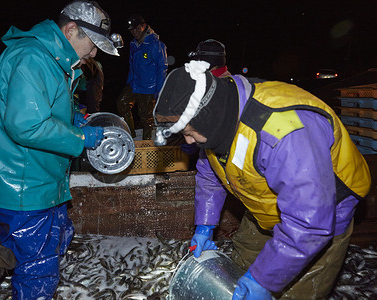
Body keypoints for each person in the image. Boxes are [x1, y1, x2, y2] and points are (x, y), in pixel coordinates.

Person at [153, 61, 371, 299]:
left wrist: (262, 280)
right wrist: (205, 225)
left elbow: (309, 223)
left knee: (295, 292)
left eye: (188, 132)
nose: (189, 142)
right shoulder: (220, 118)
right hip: (267, 199)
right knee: (237, 268)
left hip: (323, 212)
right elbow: (210, 171)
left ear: (208, 118)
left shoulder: (285, 133)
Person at [0, 1, 120, 298]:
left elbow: (44, 111)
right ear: (71, 30)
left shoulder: (55, 62)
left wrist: (74, 119)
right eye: (92, 44)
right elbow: (27, 126)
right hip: (22, 189)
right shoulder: (33, 59)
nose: (94, 53)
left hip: (43, 183)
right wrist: (81, 139)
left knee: (60, 237)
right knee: (38, 269)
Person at [116, 13, 168, 140]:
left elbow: (162, 68)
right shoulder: (133, 44)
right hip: (135, 84)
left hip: (149, 87)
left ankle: (146, 144)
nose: (134, 32)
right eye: (131, 30)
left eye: (136, 28)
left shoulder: (157, 44)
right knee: (122, 102)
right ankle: (131, 135)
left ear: (143, 26)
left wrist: (159, 91)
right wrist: (129, 82)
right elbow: (131, 65)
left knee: (146, 117)